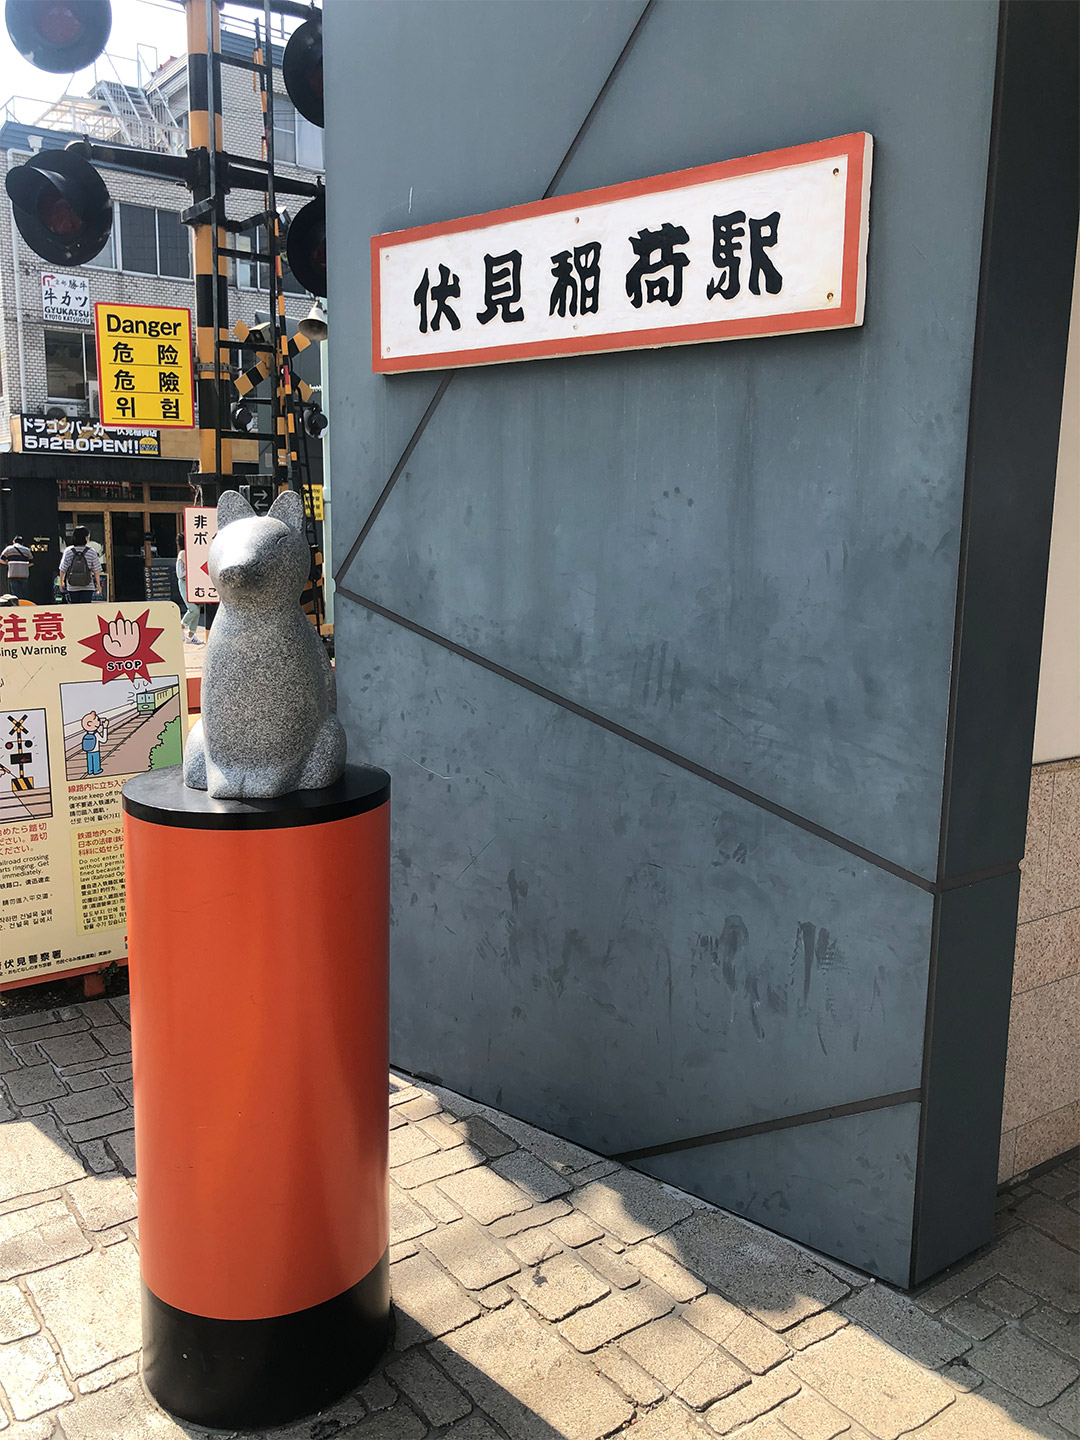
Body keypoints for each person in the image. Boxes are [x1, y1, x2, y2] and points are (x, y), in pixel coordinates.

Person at [59, 528, 103, 603]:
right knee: (86, 609)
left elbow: (63, 568)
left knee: (74, 608)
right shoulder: (91, 552)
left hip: (72, 586)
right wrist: (98, 585)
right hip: (88, 586)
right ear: (85, 538)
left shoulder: (68, 551)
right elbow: (96, 570)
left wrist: (61, 582)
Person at [175, 541, 202, 644]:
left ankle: (191, 636)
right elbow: (180, 574)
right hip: (184, 583)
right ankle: (181, 625)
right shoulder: (182, 553)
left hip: (193, 583)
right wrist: (192, 569)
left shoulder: (192, 552)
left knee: (197, 609)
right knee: (193, 609)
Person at [79, 711, 109, 776]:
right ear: (89, 723)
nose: (99, 722)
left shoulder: (87, 734)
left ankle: (90, 770)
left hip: (88, 751)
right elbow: (104, 740)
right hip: (95, 751)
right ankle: (96, 770)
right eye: (97, 720)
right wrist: (105, 728)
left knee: (89, 761)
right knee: (96, 760)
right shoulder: (96, 734)